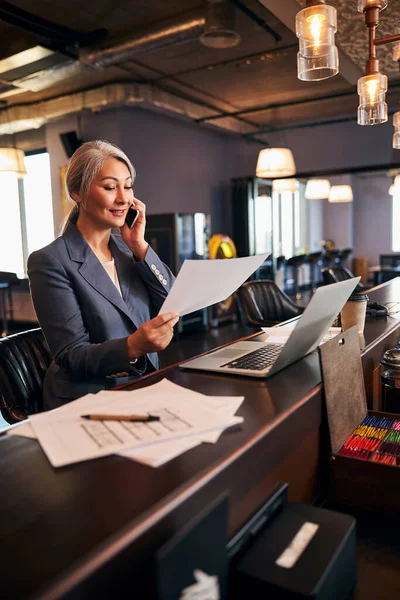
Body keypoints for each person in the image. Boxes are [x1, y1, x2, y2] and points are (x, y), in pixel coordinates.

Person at [28, 140, 178, 410]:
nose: (124, 198)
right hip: (86, 402)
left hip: (143, 386)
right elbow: (72, 355)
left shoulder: (127, 248)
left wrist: (140, 247)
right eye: (110, 187)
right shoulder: (49, 261)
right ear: (78, 193)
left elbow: (173, 302)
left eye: (128, 185)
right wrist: (132, 346)